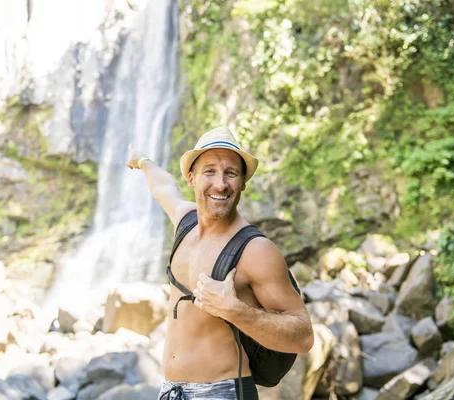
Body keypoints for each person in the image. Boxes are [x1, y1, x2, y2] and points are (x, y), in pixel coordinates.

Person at [126, 127, 314, 400]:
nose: (220, 184)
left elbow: (304, 336)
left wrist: (235, 310)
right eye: (210, 171)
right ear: (191, 178)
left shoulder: (255, 251)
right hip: (171, 391)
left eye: (231, 173)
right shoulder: (185, 221)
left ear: (243, 182)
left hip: (223, 392)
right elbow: (163, 186)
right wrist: (143, 161)